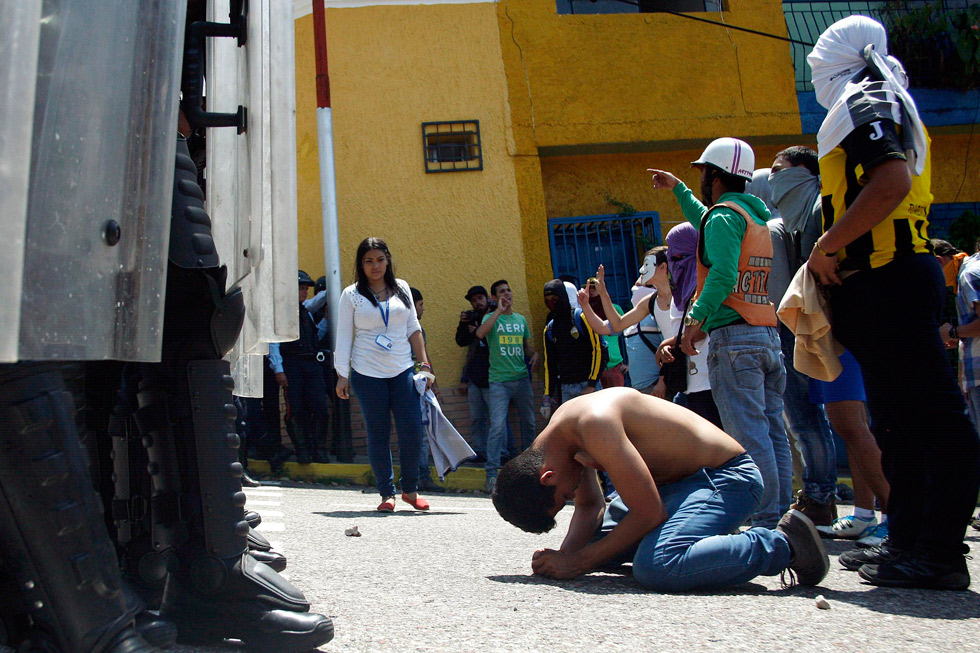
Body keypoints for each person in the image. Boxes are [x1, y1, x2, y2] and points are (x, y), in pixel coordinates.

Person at [806, 16, 979, 590]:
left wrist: (828, 244)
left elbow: (891, 182)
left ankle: (939, 553)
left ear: (839, 63)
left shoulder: (868, 99)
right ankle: (906, 543)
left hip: (891, 280)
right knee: (898, 424)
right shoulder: (871, 98)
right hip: (879, 286)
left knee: (933, 422)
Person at [491, 388, 828, 592]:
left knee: (658, 566)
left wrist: (577, 563)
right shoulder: (558, 444)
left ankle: (783, 543)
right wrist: (564, 559)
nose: (571, 496)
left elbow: (649, 513)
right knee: (598, 545)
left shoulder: (592, 423)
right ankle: (706, 539)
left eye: (562, 497)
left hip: (724, 478)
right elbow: (589, 507)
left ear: (547, 477)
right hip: (675, 489)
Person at [649, 139, 792, 528]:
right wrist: (678, 188)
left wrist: (695, 320)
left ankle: (764, 520)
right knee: (772, 429)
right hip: (765, 334)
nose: (699, 179)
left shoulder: (724, 218)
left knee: (748, 434)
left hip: (735, 340)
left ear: (714, 174)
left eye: (701, 173)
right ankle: (780, 514)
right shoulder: (750, 216)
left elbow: (724, 274)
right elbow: (708, 224)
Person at [769, 148, 891, 544]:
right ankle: (864, 513)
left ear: (806, 173)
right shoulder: (804, 219)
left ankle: (895, 517)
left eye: (779, 171)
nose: (772, 179)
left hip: (843, 332)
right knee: (849, 425)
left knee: (852, 425)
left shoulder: (823, 212)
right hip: (831, 332)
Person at [749, 164, 839, 529]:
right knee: (806, 421)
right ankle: (818, 494)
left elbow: (773, 291)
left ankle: (818, 496)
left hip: (779, 331)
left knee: (799, 421)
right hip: (798, 328)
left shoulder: (769, 231)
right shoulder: (789, 225)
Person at [334, 238, 434, 512]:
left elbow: (413, 327)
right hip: (366, 374)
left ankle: (410, 490)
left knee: (412, 429)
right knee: (378, 432)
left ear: (387, 260)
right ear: (361, 265)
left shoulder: (401, 287)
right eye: (368, 261)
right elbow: (343, 335)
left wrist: (424, 364)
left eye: (379, 259)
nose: (375, 266)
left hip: (402, 369)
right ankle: (386, 493)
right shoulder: (351, 294)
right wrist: (342, 374)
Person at [654, 223, 724, 427]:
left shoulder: (707, 285)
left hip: (711, 381)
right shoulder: (681, 290)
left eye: (678, 256)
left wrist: (665, 344)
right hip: (691, 383)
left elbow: (700, 330)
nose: (674, 262)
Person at [475, 280, 540, 494]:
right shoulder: (489, 318)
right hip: (499, 382)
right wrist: (498, 311)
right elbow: (480, 334)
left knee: (529, 423)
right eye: (502, 292)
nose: (507, 294)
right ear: (494, 297)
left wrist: (534, 354)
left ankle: (530, 468)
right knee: (497, 427)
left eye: (509, 290)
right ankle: (492, 474)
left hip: (521, 379)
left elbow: (524, 347)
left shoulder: (520, 320)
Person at [579, 249, 672, 399]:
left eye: (647, 265)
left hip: (665, 383)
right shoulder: (648, 304)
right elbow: (613, 325)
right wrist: (593, 299)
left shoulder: (676, 301)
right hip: (642, 387)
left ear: (663, 267)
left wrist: (662, 381)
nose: (641, 271)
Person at [268, 271, 331, 464]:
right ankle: (302, 450)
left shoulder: (305, 312)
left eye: (305, 288)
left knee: (320, 407)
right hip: (292, 365)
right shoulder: (280, 313)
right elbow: (274, 343)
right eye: (301, 288)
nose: (304, 292)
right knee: (295, 409)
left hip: (311, 365)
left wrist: (327, 320)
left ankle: (318, 449)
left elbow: (314, 336)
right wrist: (278, 368)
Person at [542, 279, 606, 411]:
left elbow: (599, 349)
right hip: (566, 389)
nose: (551, 303)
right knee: (572, 431)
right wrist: (547, 395)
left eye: (555, 298)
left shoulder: (582, 318)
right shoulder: (550, 329)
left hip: (588, 386)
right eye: (547, 299)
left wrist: (592, 383)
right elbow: (550, 364)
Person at [411, 286, 446, 493]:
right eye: (421, 304)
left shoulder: (419, 330)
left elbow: (425, 360)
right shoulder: (405, 329)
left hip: (423, 387)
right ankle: (416, 476)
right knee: (417, 434)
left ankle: (422, 476)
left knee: (424, 434)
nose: (423, 309)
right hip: (410, 387)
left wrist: (434, 384)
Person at [456, 285, 494, 462]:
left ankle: (500, 452)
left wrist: (480, 332)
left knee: (497, 419)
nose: (478, 303)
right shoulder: (471, 319)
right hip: (474, 377)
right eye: (474, 300)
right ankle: (480, 451)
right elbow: (461, 342)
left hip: (494, 376)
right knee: (477, 418)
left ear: (487, 298)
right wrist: (464, 324)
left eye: (480, 298)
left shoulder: (494, 316)